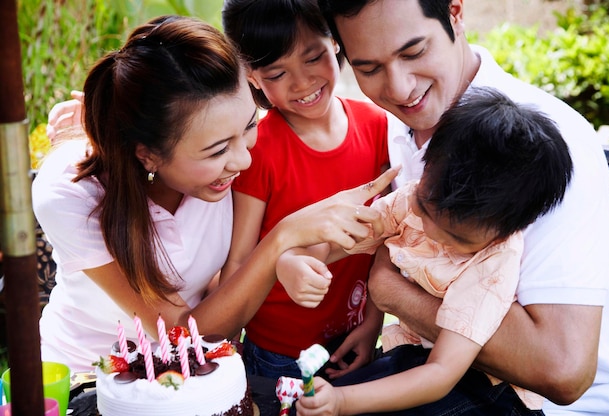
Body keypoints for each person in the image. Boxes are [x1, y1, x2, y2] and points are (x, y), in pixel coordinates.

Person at [300, 1, 609, 415]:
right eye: (369, 69)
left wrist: (391, 292)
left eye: (414, 52)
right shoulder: (406, 123)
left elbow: (563, 372)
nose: (399, 88)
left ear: (455, 12)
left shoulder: (540, 151)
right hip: (438, 365)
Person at [32, 15, 399, 373]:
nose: (243, 159)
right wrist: (281, 240)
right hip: (88, 375)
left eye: (249, 126)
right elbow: (182, 334)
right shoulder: (71, 195)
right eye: (218, 150)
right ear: (148, 154)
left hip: (200, 375)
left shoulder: (223, 158)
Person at [285, 87, 573, 415]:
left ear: (505, 231)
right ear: (426, 163)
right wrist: (295, 260)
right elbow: (336, 241)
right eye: (424, 208)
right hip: (421, 354)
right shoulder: (412, 198)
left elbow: (441, 374)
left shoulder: (493, 262)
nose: (430, 229)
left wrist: (342, 402)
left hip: (486, 388)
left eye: (456, 236)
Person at [219, 0, 389, 381]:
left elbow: (387, 243)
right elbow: (239, 260)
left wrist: (372, 324)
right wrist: (225, 349)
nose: (302, 82)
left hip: (353, 336)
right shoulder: (258, 149)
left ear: (336, 42)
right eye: (278, 73)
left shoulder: (376, 126)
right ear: (252, 75)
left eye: (313, 58)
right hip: (279, 354)